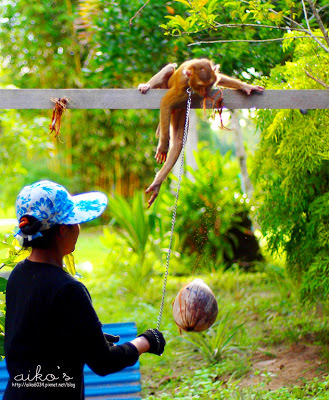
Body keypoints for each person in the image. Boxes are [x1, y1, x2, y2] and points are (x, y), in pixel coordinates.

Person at [4, 180, 165, 400]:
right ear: (63, 230)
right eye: (76, 221)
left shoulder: (18, 276)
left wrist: (84, 336)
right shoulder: (69, 289)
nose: (79, 227)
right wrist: (146, 341)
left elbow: (34, 341)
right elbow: (104, 362)